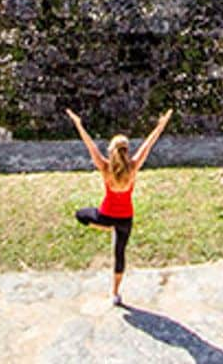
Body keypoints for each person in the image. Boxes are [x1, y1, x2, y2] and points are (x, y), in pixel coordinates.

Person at [66, 107, 173, 305]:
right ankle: (115, 293)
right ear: (126, 151)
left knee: (80, 215)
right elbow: (150, 143)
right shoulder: (133, 167)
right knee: (120, 255)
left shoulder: (105, 167)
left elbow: (89, 144)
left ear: (111, 150)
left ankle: (107, 227)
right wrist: (161, 124)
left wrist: (78, 124)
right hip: (125, 219)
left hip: (105, 216)